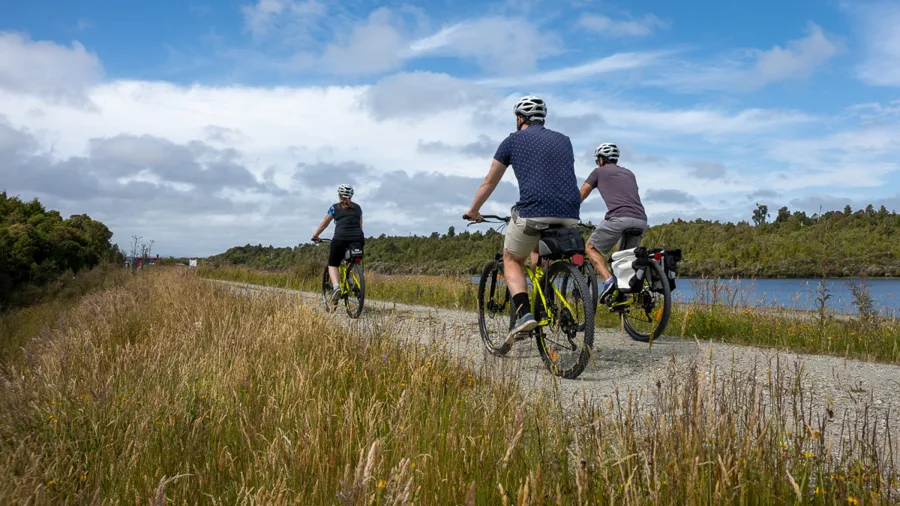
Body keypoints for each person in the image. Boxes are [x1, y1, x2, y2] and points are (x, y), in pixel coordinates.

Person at [464, 96, 581, 346]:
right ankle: (546, 296)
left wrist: (474, 210)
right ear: (543, 118)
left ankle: (524, 314)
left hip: (534, 211)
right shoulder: (565, 140)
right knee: (539, 256)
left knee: (512, 259)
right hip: (569, 213)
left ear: (520, 118)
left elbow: (490, 181)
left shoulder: (512, 141)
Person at [580, 143, 648, 302]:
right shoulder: (629, 173)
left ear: (601, 159)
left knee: (590, 247)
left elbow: (581, 194)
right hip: (641, 220)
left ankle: (608, 281)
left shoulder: (598, 172)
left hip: (619, 218)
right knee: (620, 256)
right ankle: (622, 294)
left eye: (598, 160)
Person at [312, 184, 365, 303]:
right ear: (351, 195)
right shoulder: (358, 208)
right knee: (350, 261)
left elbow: (323, 224)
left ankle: (336, 287)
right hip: (358, 239)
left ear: (339, 195)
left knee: (333, 264)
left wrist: (315, 236)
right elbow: (360, 226)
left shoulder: (334, 208)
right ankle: (351, 281)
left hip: (340, 239)